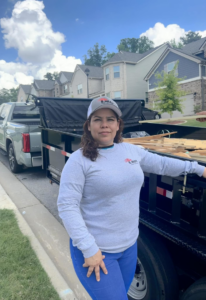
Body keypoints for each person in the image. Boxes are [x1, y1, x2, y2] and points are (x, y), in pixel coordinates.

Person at [57, 96, 206, 300]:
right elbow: (67, 206)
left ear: (118, 125)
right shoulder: (78, 161)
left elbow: (162, 164)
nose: (104, 125)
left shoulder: (130, 150)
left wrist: (198, 169)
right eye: (97, 119)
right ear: (88, 125)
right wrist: (89, 249)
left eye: (110, 119)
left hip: (129, 247)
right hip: (96, 252)